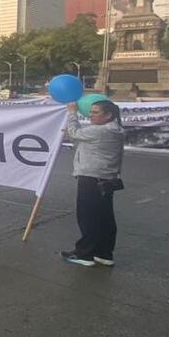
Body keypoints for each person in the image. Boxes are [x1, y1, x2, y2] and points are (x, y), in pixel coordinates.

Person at [62, 99, 124, 267]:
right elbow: (82, 138)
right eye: (91, 111)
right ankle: (103, 253)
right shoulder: (115, 130)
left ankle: (85, 253)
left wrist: (72, 113)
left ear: (108, 115)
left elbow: (75, 132)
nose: (91, 115)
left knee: (88, 217)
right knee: (104, 218)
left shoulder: (100, 131)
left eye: (95, 112)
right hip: (106, 178)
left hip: (91, 178)